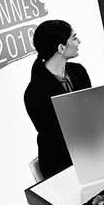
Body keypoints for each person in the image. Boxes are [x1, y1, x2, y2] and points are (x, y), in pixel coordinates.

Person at [24, 20, 91, 179]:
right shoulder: (35, 92)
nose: (79, 41)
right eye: (74, 38)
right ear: (61, 48)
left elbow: (90, 115)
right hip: (61, 166)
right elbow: (55, 139)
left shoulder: (79, 72)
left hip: (87, 153)